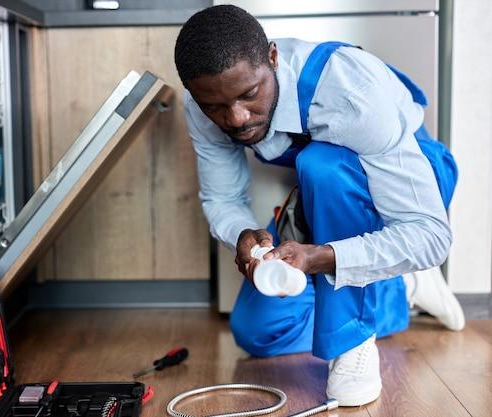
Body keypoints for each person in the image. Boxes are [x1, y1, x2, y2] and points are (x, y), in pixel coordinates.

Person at [174, 5, 465, 406]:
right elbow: (223, 198)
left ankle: (353, 337)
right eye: (215, 107)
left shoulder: (350, 92)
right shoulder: (204, 104)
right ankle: (402, 288)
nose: (236, 118)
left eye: (249, 95)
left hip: (412, 185)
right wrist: (244, 234)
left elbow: (429, 234)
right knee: (257, 330)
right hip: (326, 200)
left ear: (272, 59)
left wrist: (324, 257)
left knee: (322, 165)